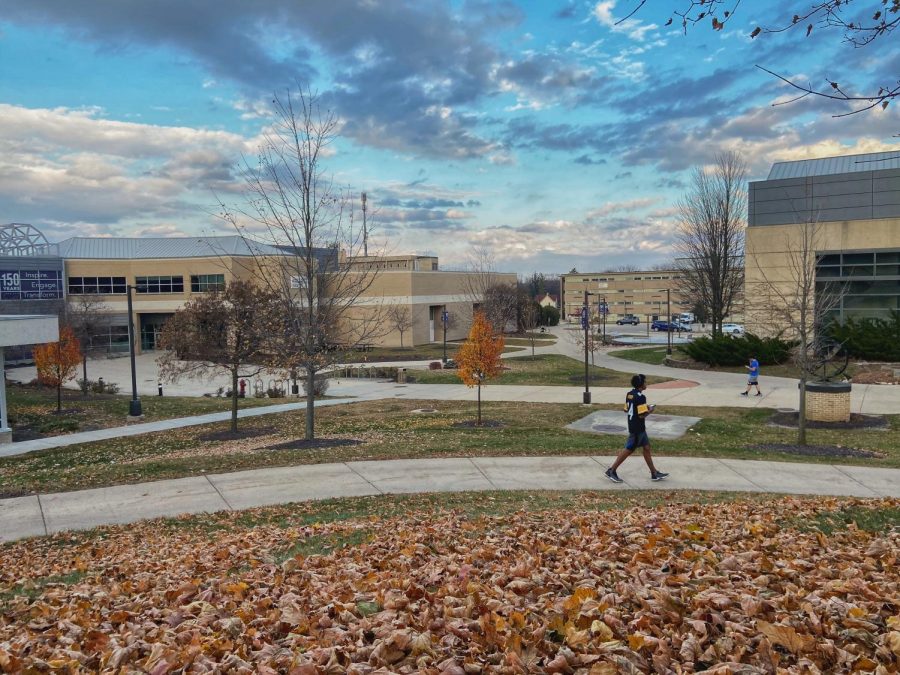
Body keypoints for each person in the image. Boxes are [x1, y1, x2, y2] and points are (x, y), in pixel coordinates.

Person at [605, 374, 669, 483]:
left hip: (634, 425)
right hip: (637, 428)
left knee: (647, 447)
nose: (646, 383)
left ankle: (654, 473)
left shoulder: (630, 394)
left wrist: (645, 407)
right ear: (641, 384)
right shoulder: (641, 397)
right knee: (629, 449)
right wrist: (650, 410)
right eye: (645, 382)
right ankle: (611, 470)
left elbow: (626, 409)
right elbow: (641, 415)